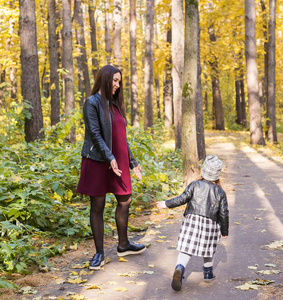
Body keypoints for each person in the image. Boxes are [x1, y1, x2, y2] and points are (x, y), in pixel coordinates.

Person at [76, 65, 146, 270]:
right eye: (114, 80)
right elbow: (95, 134)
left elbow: (121, 137)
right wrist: (110, 158)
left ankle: (123, 245)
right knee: (97, 206)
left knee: (125, 200)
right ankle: (99, 254)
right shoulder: (92, 102)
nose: (117, 85)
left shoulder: (114, 104)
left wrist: (132, 162)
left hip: (119, 161)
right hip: (99, 160)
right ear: (105, 79)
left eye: (119, 81)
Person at [156, 155, 229, 291]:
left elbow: (181, 199)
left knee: (186, 249)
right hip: (210, 224)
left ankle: (180, 267)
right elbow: (224, 213)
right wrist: (224, 231)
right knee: (208, 249)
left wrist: (166, 204)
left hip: (192, 221)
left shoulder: (194, 185)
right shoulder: (220, 192)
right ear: (217, 174)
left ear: (204, 171)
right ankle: (208, 274)